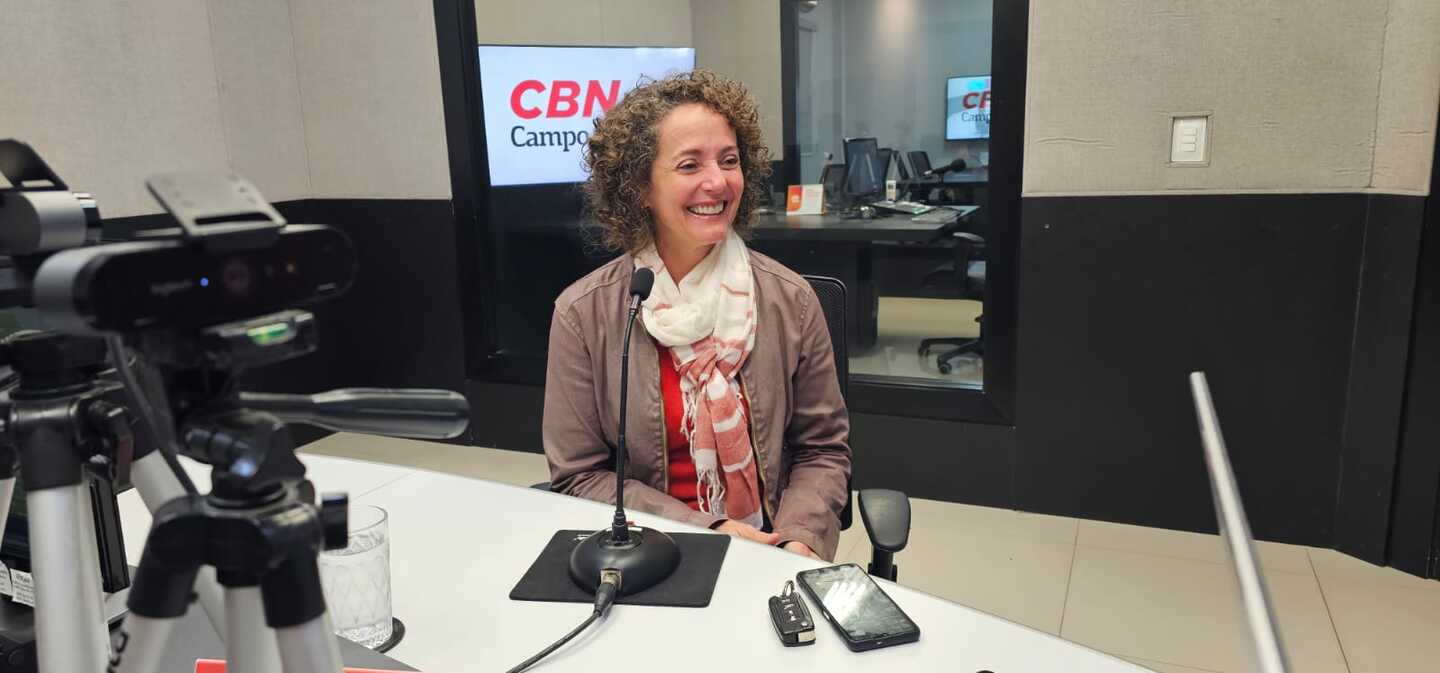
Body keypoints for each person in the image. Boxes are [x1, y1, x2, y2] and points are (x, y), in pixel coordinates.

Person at [542, 70, 852, 561]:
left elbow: (822, 450)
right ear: (640, 187)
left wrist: (799, 540)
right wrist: (708, 529)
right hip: (650, 548)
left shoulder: (790, 299)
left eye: (729, 161)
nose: (717, 181)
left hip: (771, 548)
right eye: (689, 165)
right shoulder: (584, 314)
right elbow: (580, 475)